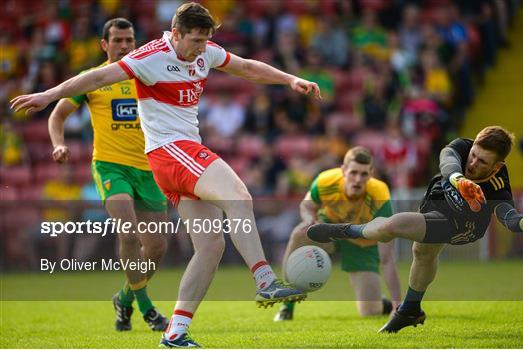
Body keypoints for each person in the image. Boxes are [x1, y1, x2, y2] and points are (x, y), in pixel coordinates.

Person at [11, 3, 321, 347]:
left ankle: (175, 333)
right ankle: (264, 278)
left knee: (210, 247)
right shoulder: (152, 56)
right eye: (195, 40)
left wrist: (290, 78)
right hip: (170, 152)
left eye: (206, 40)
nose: (201, 48)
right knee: (239, 197)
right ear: (175, 34)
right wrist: (50, 94)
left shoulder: (206, 52)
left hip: (174, 159)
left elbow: (247, 68)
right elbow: (97, 77)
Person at [307, 126, 523, 333]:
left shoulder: (498, 184)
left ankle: (341, 231)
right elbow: (447, 161)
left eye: (482, 163)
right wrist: (460, 181)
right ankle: (410, 310)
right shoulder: (463, 147)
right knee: (423, 254)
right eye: (473, 156)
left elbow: (507, 217)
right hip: (436, 201)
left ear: (497, 166)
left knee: (393, 225)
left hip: (462, 224)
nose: (473, 163)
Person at [47, 18, 169, 332]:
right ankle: (147, 308)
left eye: (129, 40)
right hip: (111, 166)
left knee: (156, 247)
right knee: (128, 233)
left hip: (149, 169)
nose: (124, 46)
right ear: (105, 44)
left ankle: (125, 298)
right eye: (117, 41)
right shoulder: (93, 79)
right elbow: (57, 115)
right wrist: (58, 145)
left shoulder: (148, 75)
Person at [274, 146, 402, 322]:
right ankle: (287, 306)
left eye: (364, 174)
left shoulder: (380, 195)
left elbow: (387, 258)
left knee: (370, 311)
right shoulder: (326, 181)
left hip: (363, 244)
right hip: (329, 231)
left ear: (371, 173)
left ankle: (384, 303)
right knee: (299, 233)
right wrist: (310, 220)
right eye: (353, 172)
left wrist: (398, 306)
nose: (358, 179)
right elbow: (307, 206)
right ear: (343, 170)